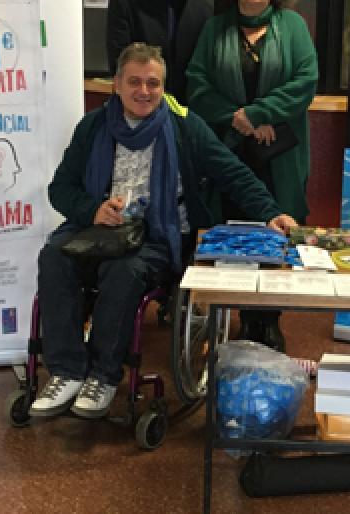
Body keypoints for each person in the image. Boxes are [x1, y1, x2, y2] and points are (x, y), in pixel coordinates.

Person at [30, 43, 298, 420]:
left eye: (153, 83)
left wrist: (271, 212)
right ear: (116, 86)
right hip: (97, 229)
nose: (144, 91)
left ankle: (104, 376)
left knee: (122, 271)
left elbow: (232, 172)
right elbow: (61, 189)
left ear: (163, 87)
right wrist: (92, 209)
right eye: (134, 82)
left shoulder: (185, 127)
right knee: (54, 257)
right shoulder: (92, 127)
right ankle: (66, 371)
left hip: (158, 233)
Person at [186, 0, 319, 352]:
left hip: (280, 152)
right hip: (229, 150)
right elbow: (197, 84)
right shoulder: (215, 29)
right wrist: (239, 119)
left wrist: (261, 114)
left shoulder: (292, 26)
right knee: (234, 231)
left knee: (277, 228)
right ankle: (243, 317)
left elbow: (305, 80)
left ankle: (270, 320)